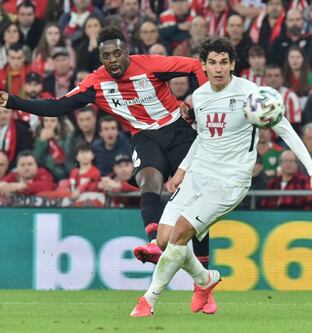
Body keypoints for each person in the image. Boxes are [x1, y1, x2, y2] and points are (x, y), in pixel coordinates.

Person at [0, 26, 213, 309]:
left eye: (117, 53)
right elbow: (58, 106)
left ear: (127, 52)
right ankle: (152, 242)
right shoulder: (95, 83)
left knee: (196, 201)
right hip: (144, 137)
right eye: (106, 56)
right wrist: (13, 101)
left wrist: (200, 104)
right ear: (100, 58)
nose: (112, 60)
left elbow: (196, 66)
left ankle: (203, 285)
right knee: (149, 178)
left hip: (178, 132)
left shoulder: (150, 64)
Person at [130, 37, 312, 317]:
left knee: (181, 232)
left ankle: (149, 300)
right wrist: (184, 168)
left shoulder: (252, 94)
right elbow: (204, 138)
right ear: (203, 66)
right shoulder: (200, 97)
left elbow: (285, 130)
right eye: (212, 63)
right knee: (163, 239)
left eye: (224, 62)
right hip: (199, 174)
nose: (219, 68)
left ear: (233, 64)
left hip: (229, 182)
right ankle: (205, 279)